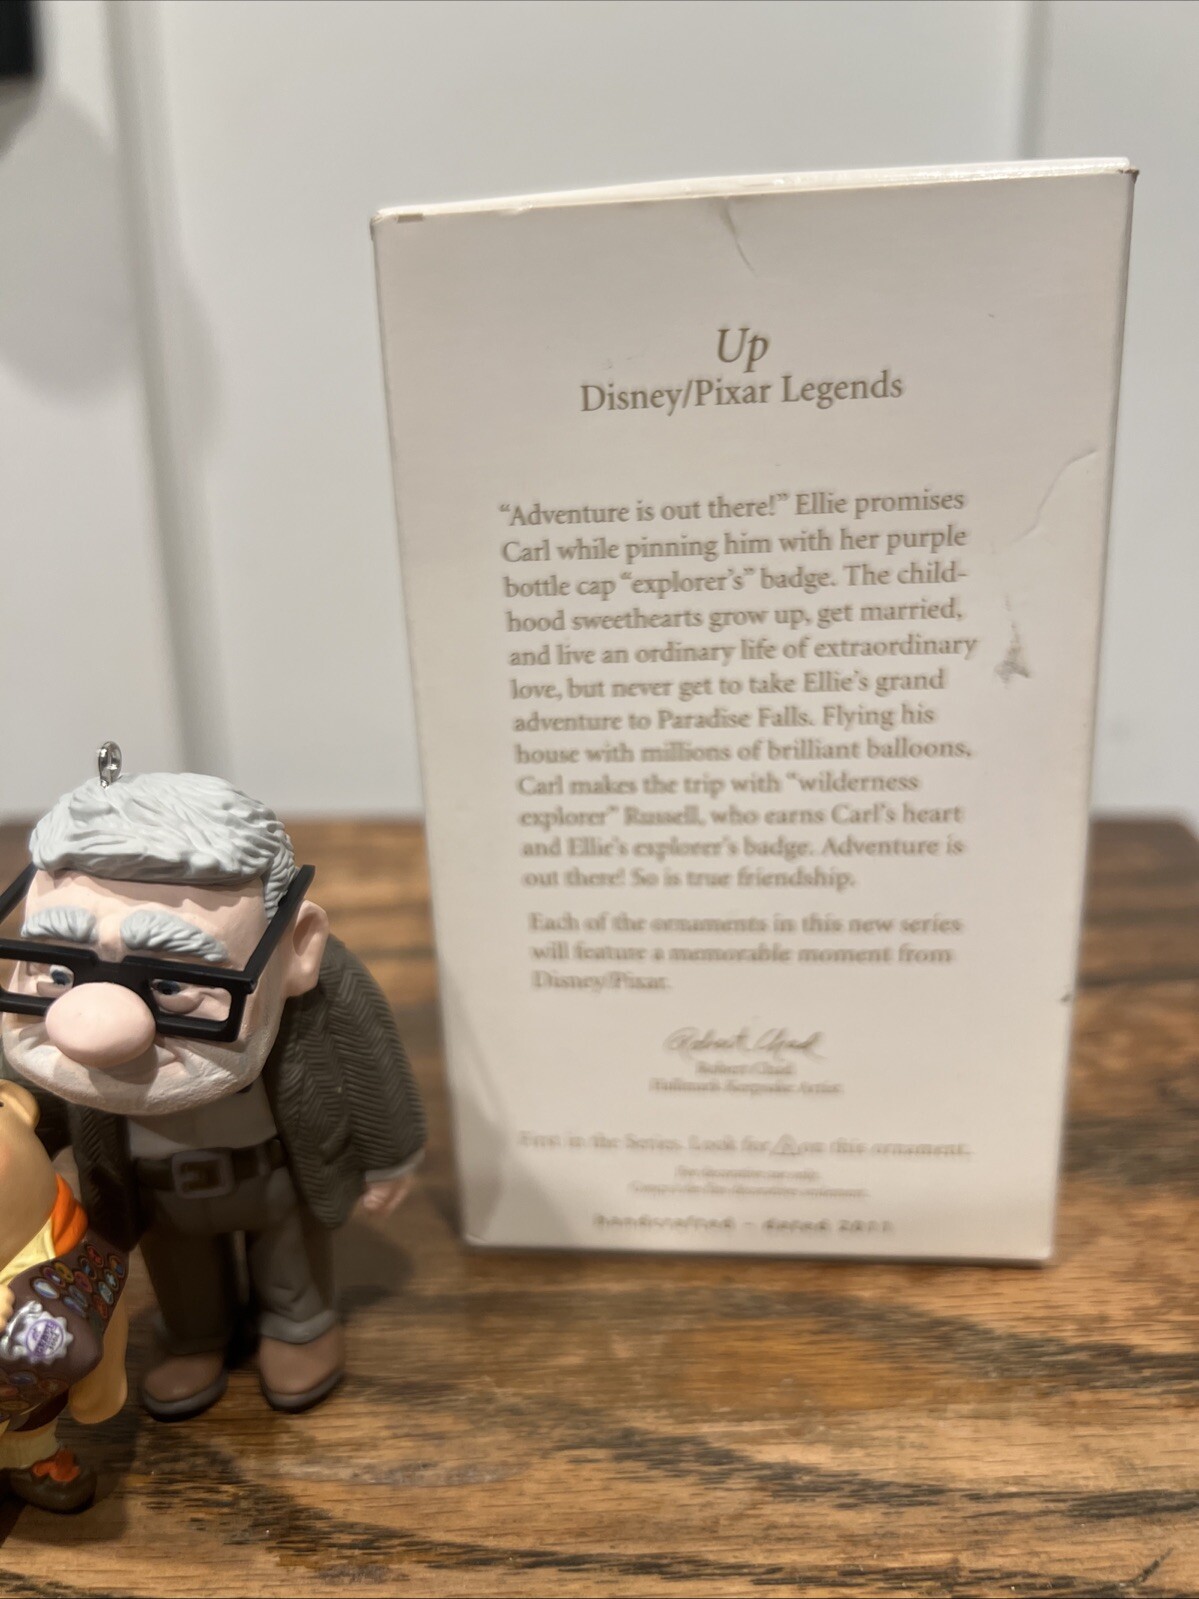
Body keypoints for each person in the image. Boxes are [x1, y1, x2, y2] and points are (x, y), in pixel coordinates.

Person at [0, 767, 425, 1420]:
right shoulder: (62, 1025)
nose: (93, 1028)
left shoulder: (322, 988)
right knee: (183, 1277)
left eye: (171, 985)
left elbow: (369, 1063)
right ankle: (195, 1335)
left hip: (273, 1170)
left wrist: (390, 1156)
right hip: (153, 1186)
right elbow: (32, 1097)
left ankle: (299, 1326)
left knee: (291, 1264)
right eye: (60, 970)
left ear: (297, 947)